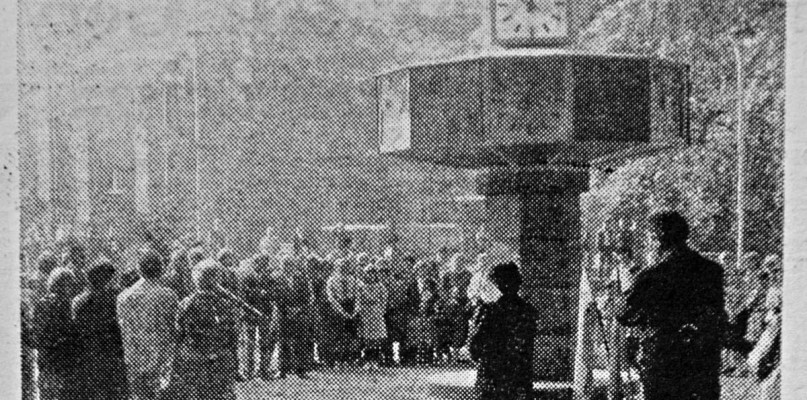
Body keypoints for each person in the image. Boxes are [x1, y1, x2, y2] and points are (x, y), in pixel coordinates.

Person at [616, 211, 724, 400]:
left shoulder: (651, 276)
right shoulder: (712, 270)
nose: (648, 244)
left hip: (663, 360)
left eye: (649, 238)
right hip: (702, 361)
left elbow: (624, 315)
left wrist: (626, 291)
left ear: (657, 239)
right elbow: (716, 313)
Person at [468, 262, 537, 400]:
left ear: (499, 285)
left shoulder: (490, 311)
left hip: (492, 375)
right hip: (519, 375)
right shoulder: (528, 310)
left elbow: (474, 347)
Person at [170, 259, 238, 400]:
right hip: (220, 358)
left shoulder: (185, 304)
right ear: (217, 280)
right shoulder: (225, 305)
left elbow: (178, 336)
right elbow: (233, 336)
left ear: (195, 280)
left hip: (195, 358)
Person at [117, 251, 179, 400]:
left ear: (139, 269)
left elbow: (123, 328)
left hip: (133, 353)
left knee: (139, 394)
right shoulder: (168, 295)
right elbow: (173, 327)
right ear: (161, 269)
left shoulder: (124, 296)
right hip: (159, 353)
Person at [70, 261, 129, 400]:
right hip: (113, 356)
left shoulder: (78, 300)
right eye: (111, 278)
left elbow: (77, 329)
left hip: (90, 356)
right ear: (105, 279)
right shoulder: (115, 297)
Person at [32, 268, 80, 400]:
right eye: (68, 284)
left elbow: (36, 334)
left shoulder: (41, 303)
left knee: (48, 393)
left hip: (47, 360)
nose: (70, 288)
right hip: (61, 361)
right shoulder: (67, 304)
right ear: (59, 285)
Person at [241, 254, 282, 380]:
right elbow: (243, 294)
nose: (263, 265)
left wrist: (266, 293)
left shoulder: (270, 278)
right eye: (260, 263)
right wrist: (259, 292)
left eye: (265, 263)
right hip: (250, 313)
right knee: (250, 343)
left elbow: (275, 293)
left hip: (265, 313)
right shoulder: (248, 276)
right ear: (255, 263)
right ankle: (249, 371)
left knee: (265, 342)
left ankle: (263, 370)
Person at [323, 258, 362, 366]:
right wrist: (342, 312)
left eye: (345, 267)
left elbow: (358, 296)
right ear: (336, 267)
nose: (343, 269)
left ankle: (352, 358)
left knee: (353, 335)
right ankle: (339, 359)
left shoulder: (354, 280)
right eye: (340, 267)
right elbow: (331, 298)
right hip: (338, 309)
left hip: (352, 307)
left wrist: (355, 311)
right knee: (338, 335)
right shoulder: (331, 280)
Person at [357, 264, 388, 370]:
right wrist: (361, 312)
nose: (370, 276)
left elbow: (384, 300)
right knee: (367, 338)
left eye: (372, 273)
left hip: (376, 313)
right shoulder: (361, 287)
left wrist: (380, 311)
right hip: (365, 313)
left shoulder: (380, 286)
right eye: (368, 273)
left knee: (376, 338)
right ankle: (367, 360)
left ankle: (375, 360)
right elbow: (359, 300)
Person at [408, 278, 440, 365]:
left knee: (428, 339)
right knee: (423, 338)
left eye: (427, 285)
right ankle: (423, 357)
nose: (425, 286)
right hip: (424, 318)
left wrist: (431, 313)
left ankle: (427, 357)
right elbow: (421, 306)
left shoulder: (432, 295)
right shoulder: (425, 294)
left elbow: (432, 307)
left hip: (428, 318)